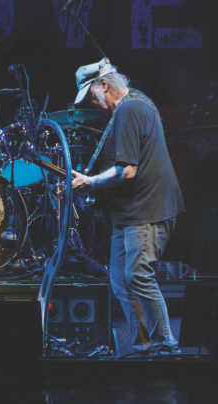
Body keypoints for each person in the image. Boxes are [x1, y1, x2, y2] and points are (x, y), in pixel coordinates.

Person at [71, 59, 185, 354]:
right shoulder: (132, 105)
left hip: (147, 211)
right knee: (121, 281)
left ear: (104, 85)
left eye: (90, 96)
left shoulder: (130, 108)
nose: (90, 104)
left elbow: (128, 171)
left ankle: (165, 343)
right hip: (129, 213)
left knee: (137, 276)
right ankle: (143, 345)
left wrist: (91, 182)